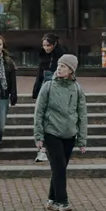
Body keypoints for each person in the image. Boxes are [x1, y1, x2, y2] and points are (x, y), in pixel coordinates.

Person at [34, 54, 88, 211]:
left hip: (69, 135)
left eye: (63, 66)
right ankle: (63, 202)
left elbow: (82, 115)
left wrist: (82, 139)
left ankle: (52, 199)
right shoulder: (48, 86)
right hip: (51, 132)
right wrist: (38, 136)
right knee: (59, 168)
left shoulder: (77, 89)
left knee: (60, 168)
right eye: (58, 65)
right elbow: (39, 112)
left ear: (71, 70)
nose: (59, 68)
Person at [31, 34, 66, 163]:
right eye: (44, 45)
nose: (46, 48)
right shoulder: (43, 56)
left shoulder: (62, 56)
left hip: (58, 90)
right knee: (42, 120)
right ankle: (42, 150)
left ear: (54, 44)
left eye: (48, 45)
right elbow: (39, 74)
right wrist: (35, 91)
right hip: (44, 88)